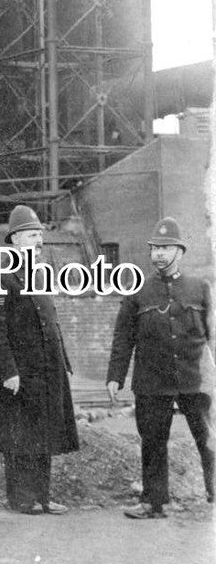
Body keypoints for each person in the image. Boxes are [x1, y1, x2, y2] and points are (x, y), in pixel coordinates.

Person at [106, 217, 213, 519]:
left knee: (208, 440)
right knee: (153, 442)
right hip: (152, 381)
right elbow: (122, 338)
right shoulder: (138, 291)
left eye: (166, 249)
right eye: (155, 249)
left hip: (195, 380)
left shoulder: (199, 289)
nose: (159, 255)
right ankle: (153, 503)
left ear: (180, 251)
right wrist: (115, 378)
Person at [0, 205, 78, 515]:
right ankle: (23, 498)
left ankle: (43, 497)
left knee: (44, 433)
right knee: (20, 436)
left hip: (47, 370)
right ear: (15, 239)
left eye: (40, 235)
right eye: (33, 235)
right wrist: (7, 370)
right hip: (19, 372)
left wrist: (64, 363)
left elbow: (50, 321)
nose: (38, 241)